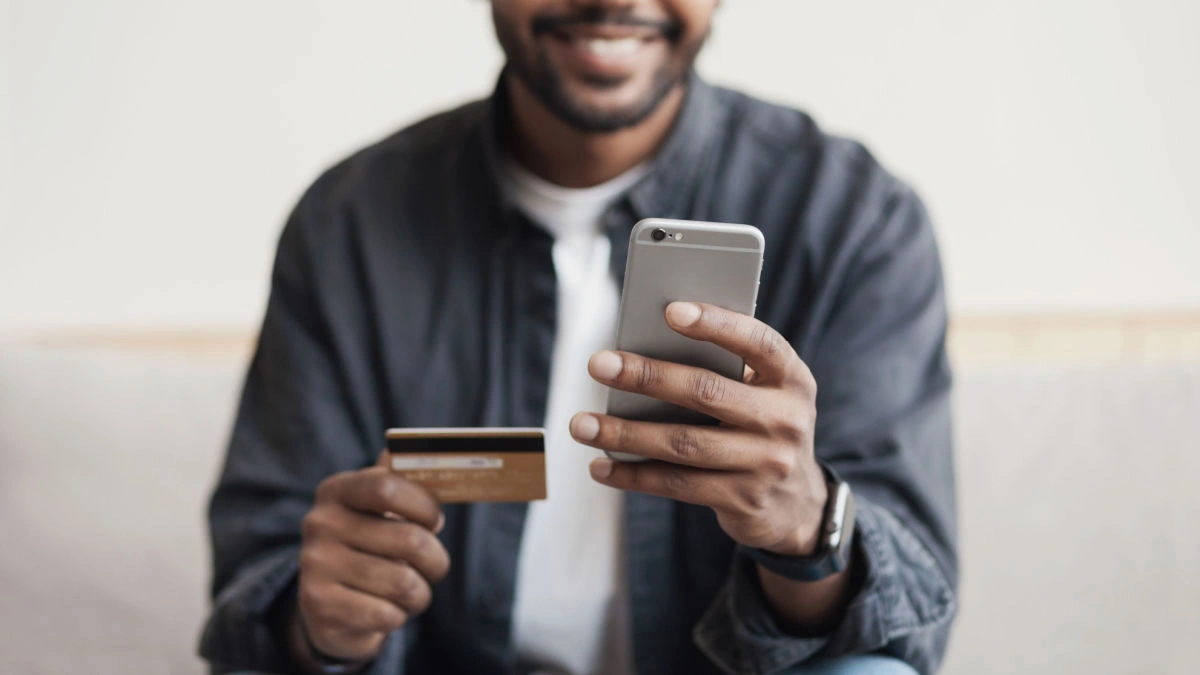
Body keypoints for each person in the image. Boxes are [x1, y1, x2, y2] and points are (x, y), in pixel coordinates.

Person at [199, 1, 958, 673]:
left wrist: (807, 527)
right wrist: (323, 626)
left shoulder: (853, 220)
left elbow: (912, 613)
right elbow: (260, 580)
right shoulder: (350, 226)